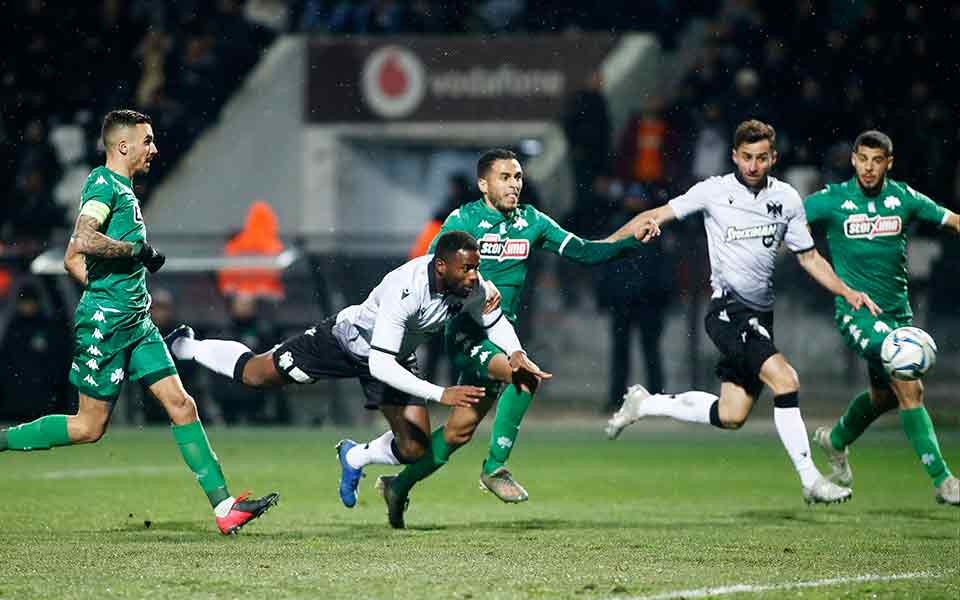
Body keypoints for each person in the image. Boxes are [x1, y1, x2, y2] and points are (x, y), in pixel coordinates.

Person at [0, 110, 279, 535]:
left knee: (183, 406)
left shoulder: (127, 192)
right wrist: (132, 257)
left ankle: (224, 508)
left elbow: (73, 261)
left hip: (137, 323)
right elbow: (82, 241)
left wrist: (116, 286)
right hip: (106, 327)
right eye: (147, 141)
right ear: (123, 146)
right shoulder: (102, 184)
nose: (155, 149)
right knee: (88, 427)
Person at [366, 148, 659, 528]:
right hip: (467, 332)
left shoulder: (531, 222)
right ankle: (495, 468)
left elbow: (585, 253)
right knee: (525, 376)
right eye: (505, 177)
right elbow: (433, 271)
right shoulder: (463, 219)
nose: (514, 183)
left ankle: (398, 485)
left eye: (518, 176)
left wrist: (630, 240)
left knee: (458, 432)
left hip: (502, 333)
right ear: (483, 184)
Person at [167, 231, 550, 521]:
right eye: (467, 268)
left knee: (414, 448)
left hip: (392, 357)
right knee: (255, 373)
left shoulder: (471, 286)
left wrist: (515, 353)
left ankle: (356, 456)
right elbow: (379, 363)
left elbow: (493, 319)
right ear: (441, 266)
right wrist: (439, 393)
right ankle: (191, 346)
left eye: (476, 267)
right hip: (345, 343)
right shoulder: (406, 289)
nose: (474, 275)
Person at [605, 119, 880, 504]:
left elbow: (810, 258)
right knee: (786, 381)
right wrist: (602, 246)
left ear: (774, 158)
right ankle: (810, 480)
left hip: (760, 315)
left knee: (732, 414)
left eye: (762, 158)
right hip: (726, 310)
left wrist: (847, 291)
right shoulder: (713, 191)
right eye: (747, 157)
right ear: (734, 156)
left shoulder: (786, 199)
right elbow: (655, 214)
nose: (753, 166)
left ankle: (645, 403)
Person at [805, 130, 960, 506]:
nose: (869, 168)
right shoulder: (832, 201)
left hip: (897, 313)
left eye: (877, 160)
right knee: (909, 386)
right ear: (853, 160)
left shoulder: (903, 198)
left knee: (882, 397)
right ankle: (944, 481)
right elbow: (789, 225)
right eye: (862, 159)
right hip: (857, 312)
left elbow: (952, 219)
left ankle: (837, 440)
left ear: (889, 163)